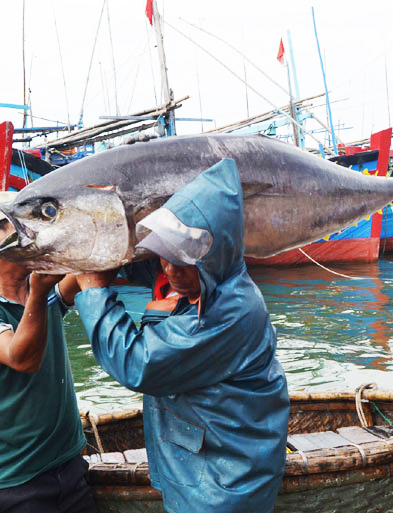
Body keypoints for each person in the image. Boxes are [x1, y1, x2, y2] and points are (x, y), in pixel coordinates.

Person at [73, 158, 290, 513]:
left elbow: (137, 363)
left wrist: (93, 292)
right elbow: (151, 267)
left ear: (208, 259)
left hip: (224, 484)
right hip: (201, 465)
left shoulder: (228, 313)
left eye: (181, 262)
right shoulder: (210, 279)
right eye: (164, 258)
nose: (169, 270)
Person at [0, 191, 97, 513]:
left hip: (69, 464)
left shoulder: (42, 294)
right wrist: (40, 288)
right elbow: (23, 358)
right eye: (24, 226)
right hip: (15, 479)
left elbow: (84, 277)